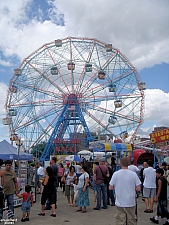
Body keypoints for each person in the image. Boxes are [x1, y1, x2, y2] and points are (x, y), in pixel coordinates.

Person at [109, 156, 141, 225]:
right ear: (128, 164)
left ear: (120, 164)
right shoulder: (133, 174)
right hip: (131, 201)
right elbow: (138, 188)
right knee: (131, 220)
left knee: (120, 220)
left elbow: (110, 187)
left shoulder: (116, 174)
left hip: (120, 201)